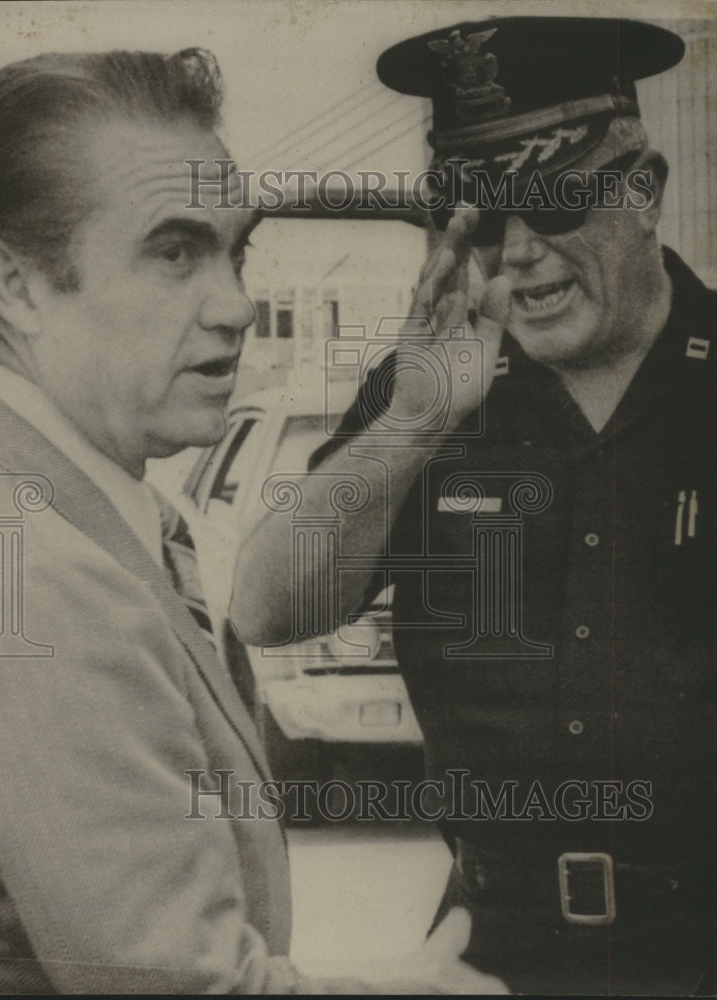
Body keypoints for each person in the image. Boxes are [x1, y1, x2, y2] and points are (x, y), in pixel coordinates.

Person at [0, 50, 507, 994]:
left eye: (236, 251)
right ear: (16, 284)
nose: (235, 305)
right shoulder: (42, 581)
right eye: (173, 251)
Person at [231, 16, 716, 996]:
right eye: (483, 222)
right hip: (487, 952)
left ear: (643, 191)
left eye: (554, 206)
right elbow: (268, 607)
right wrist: (409, 426)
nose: (520, 256)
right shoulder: (431, 386)